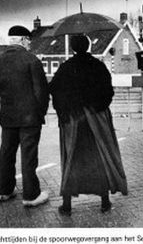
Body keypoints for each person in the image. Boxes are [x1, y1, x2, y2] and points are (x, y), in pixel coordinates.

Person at [49, 34, 128, 216]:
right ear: (89, 46)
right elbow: (108, 92)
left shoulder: (66, 67)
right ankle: (104, 202)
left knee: (71, 159)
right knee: (98, 157)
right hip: (95, 122)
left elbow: (54, 90)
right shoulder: (98, 66)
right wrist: (95, 108)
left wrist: (65, 112)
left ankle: (67, 205)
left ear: (73, 48)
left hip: (73, 122)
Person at [0, 25, 49, 207]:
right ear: (24, 40)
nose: (30, 44)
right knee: (28, 156)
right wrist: (40, 113)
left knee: (6, 153)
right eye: (29, 41)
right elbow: (41, 92)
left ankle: (4, 191)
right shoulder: (32, 61)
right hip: (29, 117)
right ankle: (31, 195)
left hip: (7, 116)